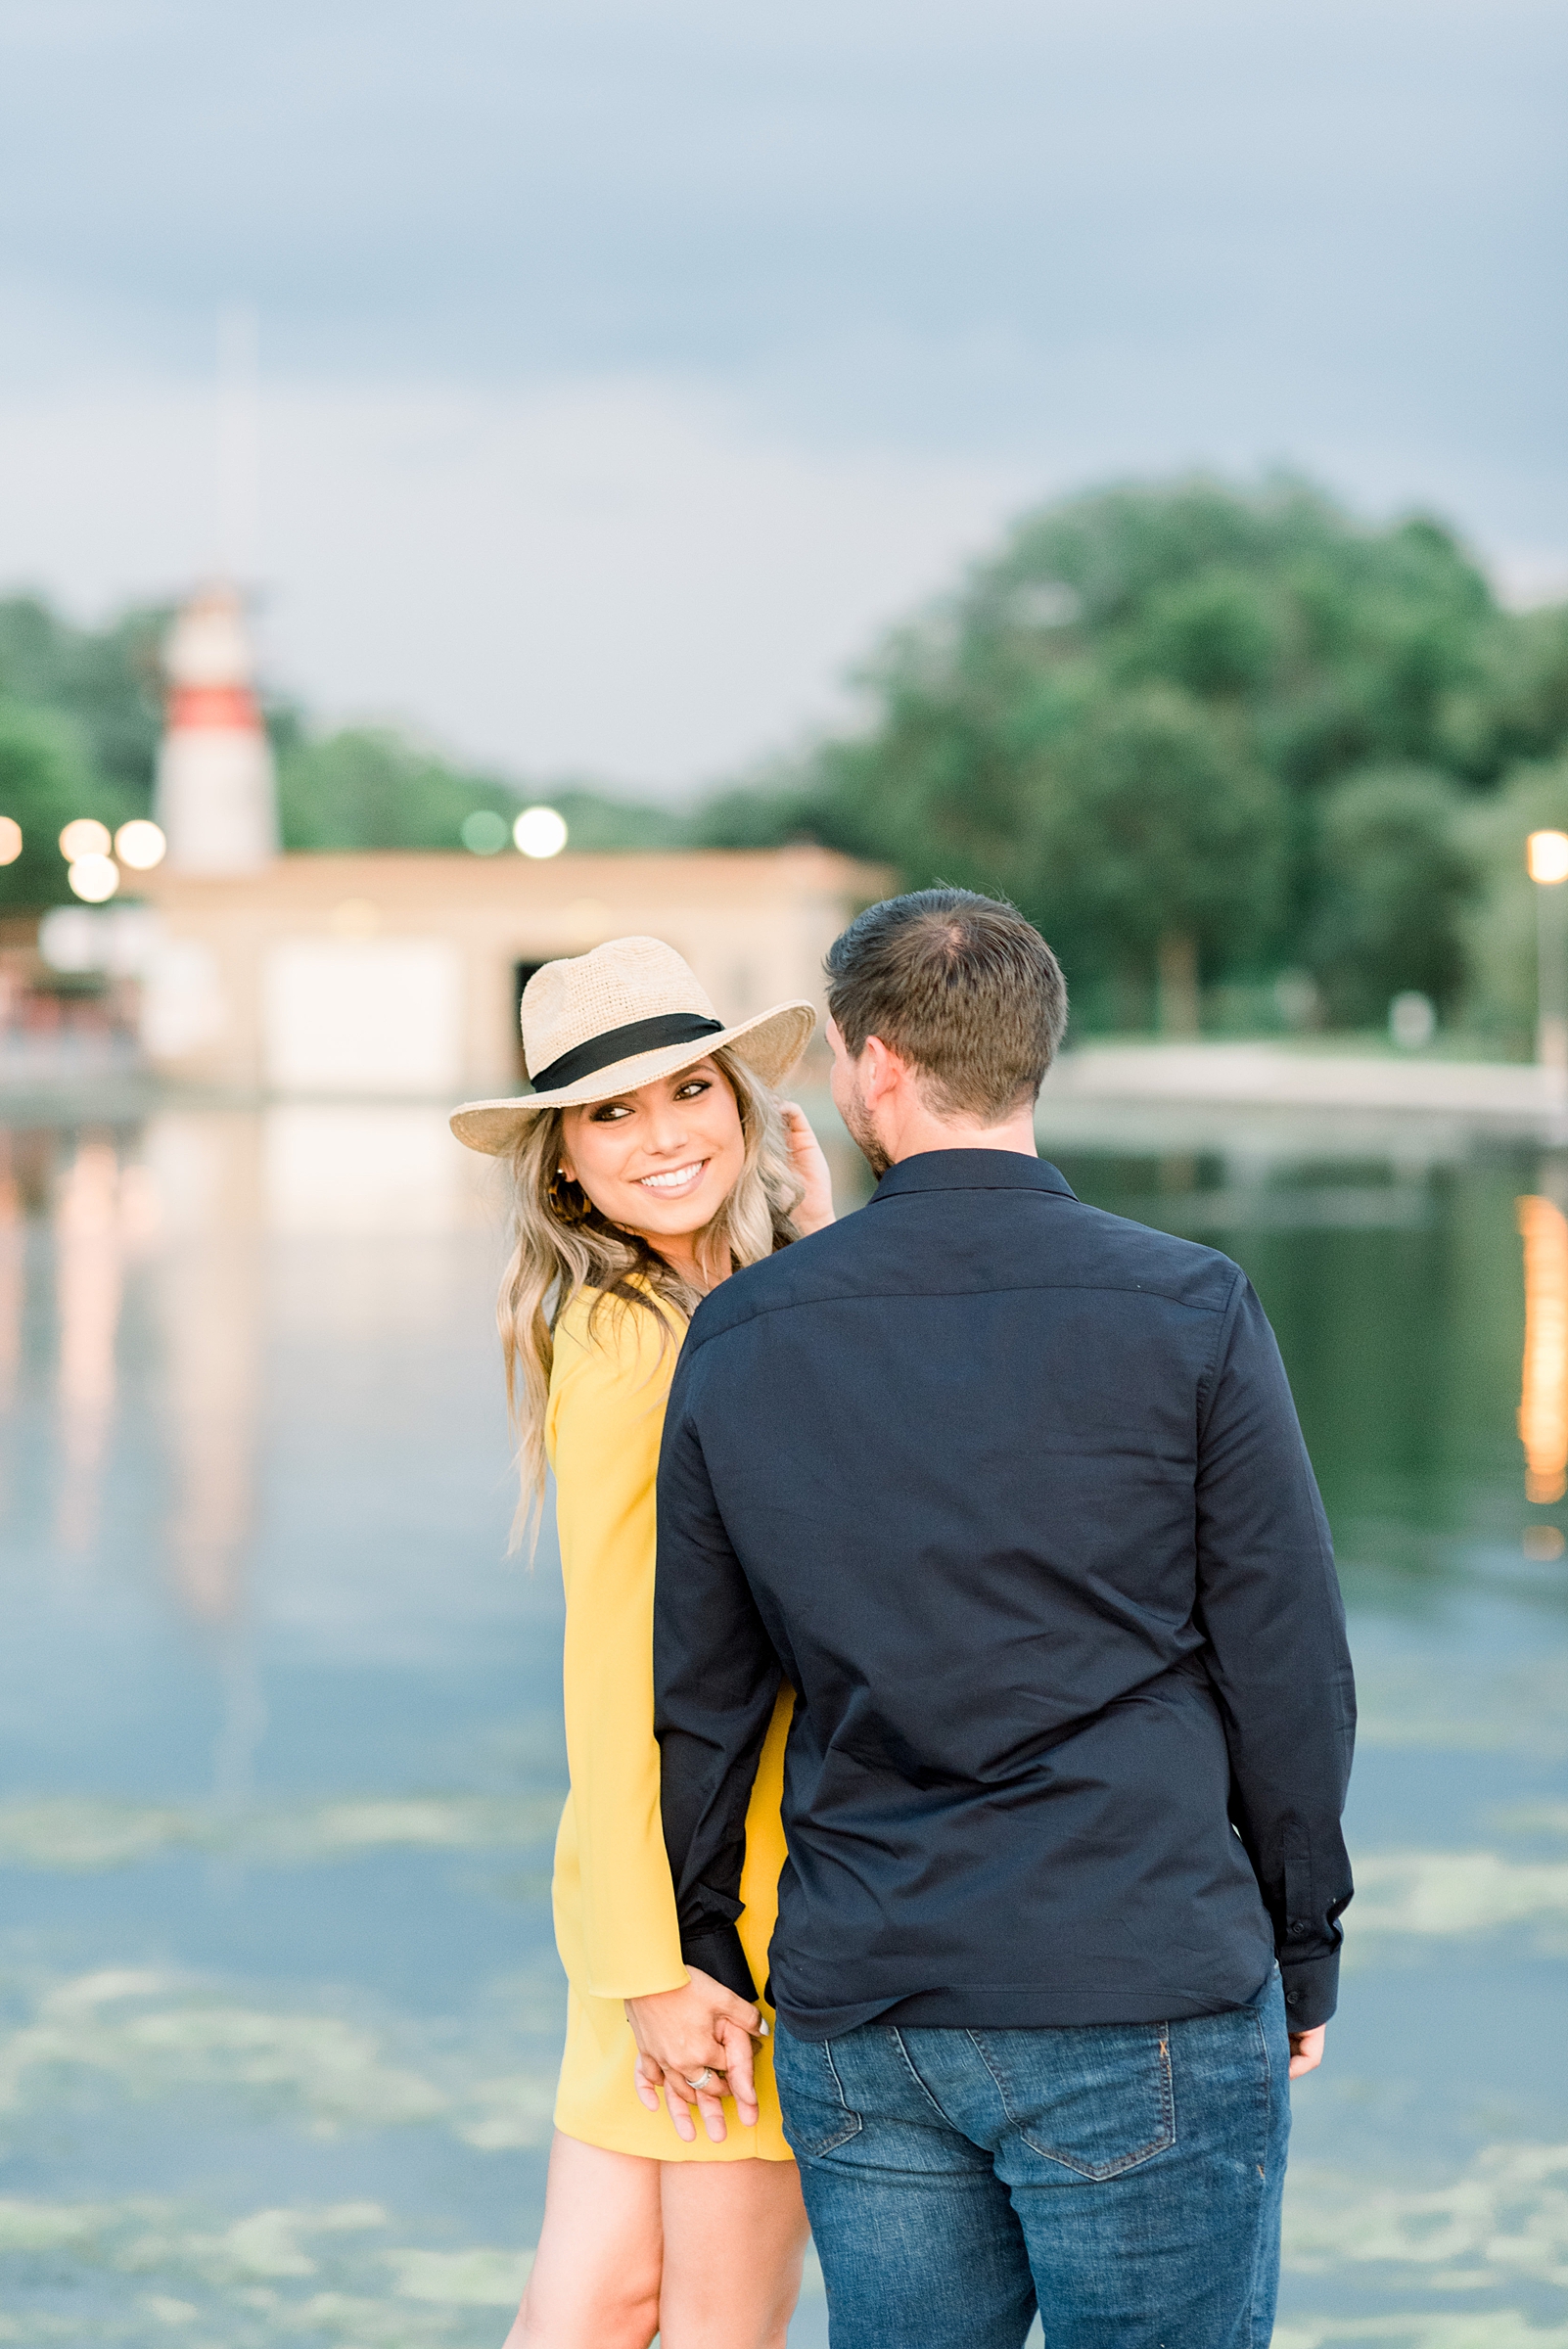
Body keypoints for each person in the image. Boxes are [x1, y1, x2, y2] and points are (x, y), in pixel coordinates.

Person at [638, 889, 1357, 2349]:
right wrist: (1302, 1942)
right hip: (1136, 1971)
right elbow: (1286, 1666)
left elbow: (704, 1690)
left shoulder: (749, 1333)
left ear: (876, 1065)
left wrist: (707, 1939)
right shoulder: (1190, 1305)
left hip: (869, 2000)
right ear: (1031, 1059)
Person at [448, 934, 836, 2349]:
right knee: (711, 2324)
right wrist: (660, 1961)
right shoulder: (632, 1345)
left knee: (599, 2303)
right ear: (561, 1163)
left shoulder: (717, 1312)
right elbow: (614, 1676)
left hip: (679, 1899)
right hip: (708, 1909)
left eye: (687, 1090)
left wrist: (820, 1257)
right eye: (611, 1112)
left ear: (738, 1103)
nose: (663, 1136)